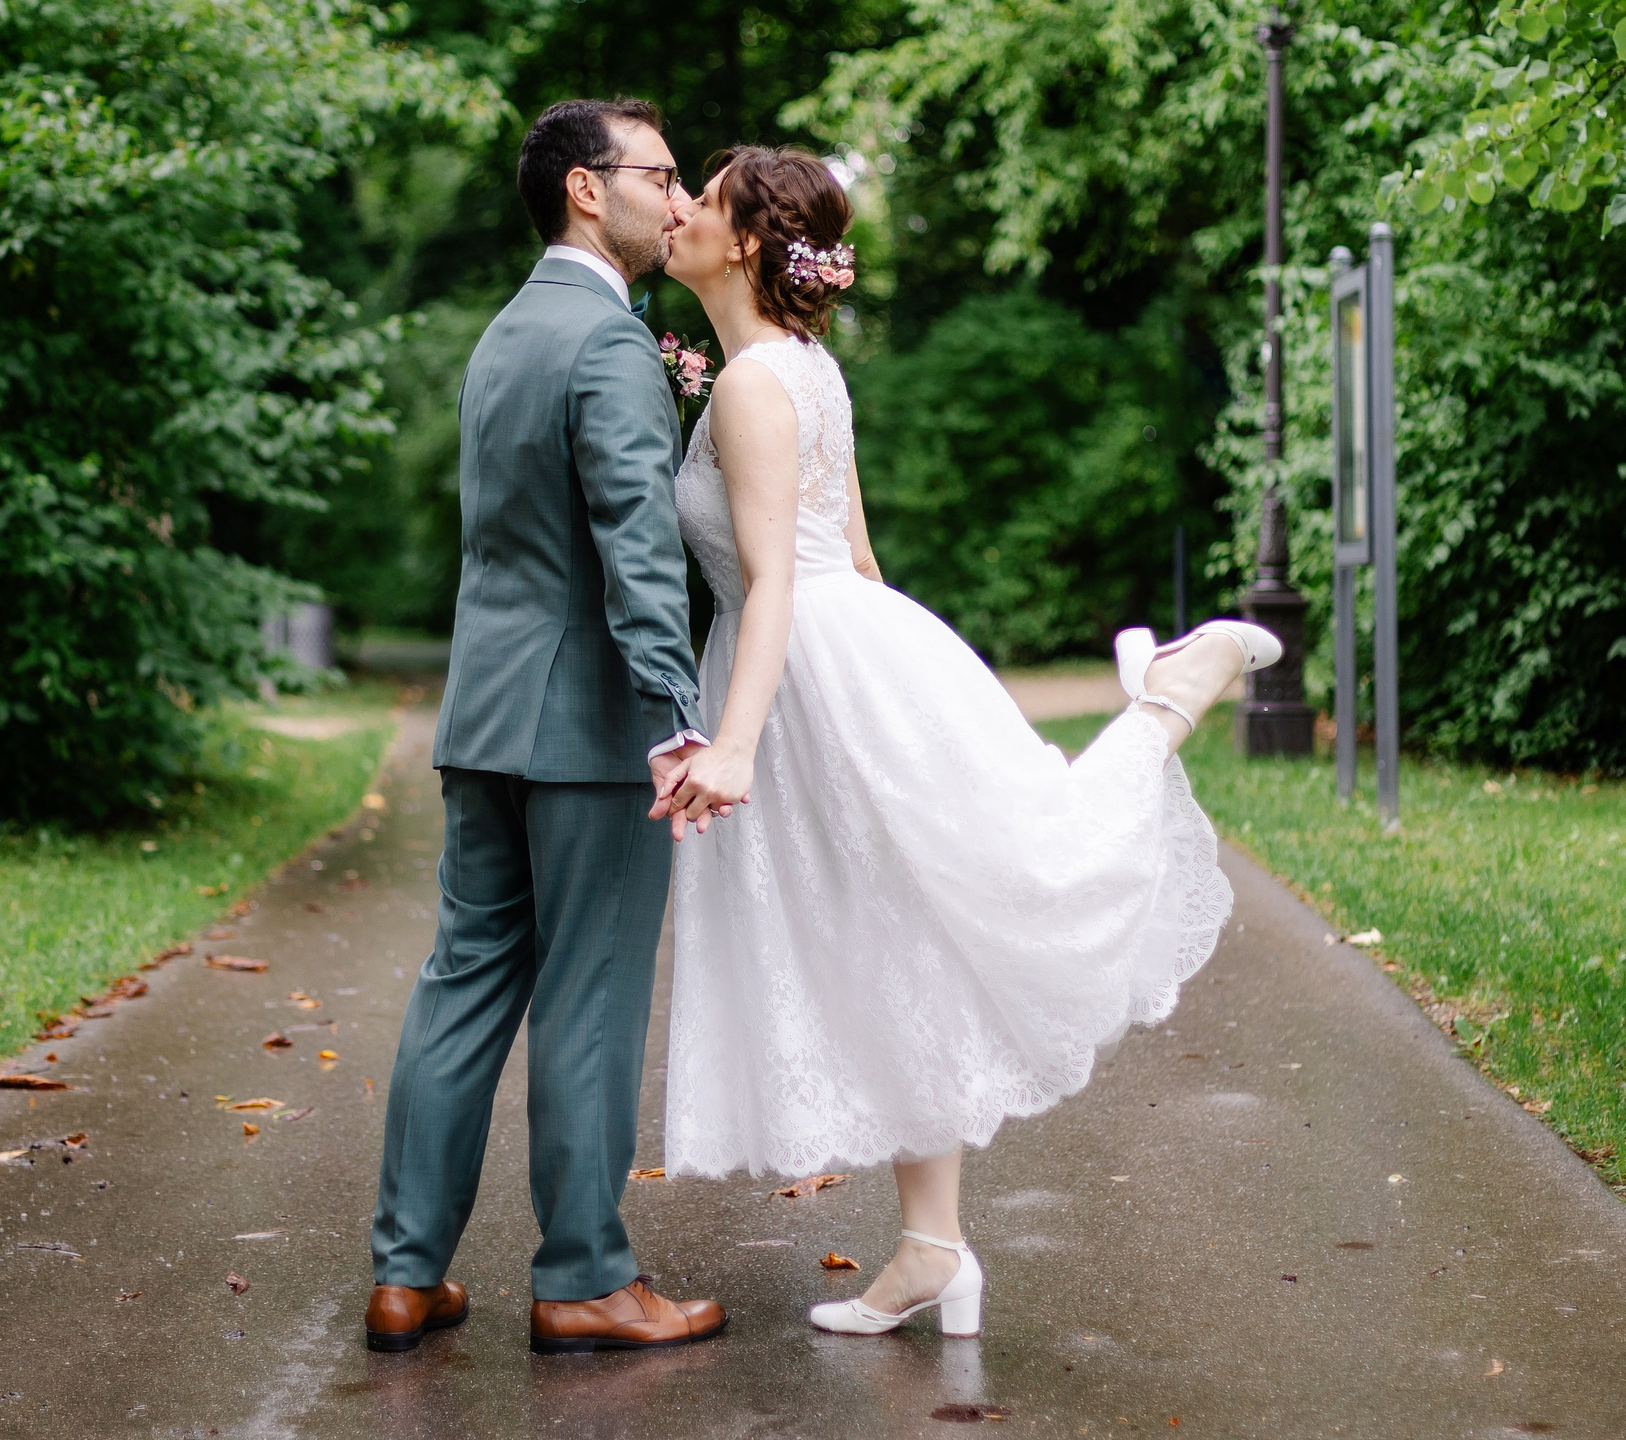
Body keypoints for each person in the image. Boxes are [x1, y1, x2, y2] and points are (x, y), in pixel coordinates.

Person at [652, 145, 1277, 1338]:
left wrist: (736, 741)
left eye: (705, 199)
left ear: (743, 243)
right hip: (840, 665)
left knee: (1014, 874)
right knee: (899, 944)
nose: (678, 210)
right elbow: (858, 551)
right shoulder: (800, 367)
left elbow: (783, 573)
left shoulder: (752, 385)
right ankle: (935, 1247)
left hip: (808, 669)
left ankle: (1169, 696)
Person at [363, 98, 730, 1357]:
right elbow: (636, 547)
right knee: (590, 995)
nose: (677, 199)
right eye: (661, 176)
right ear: (588, 188)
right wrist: (675, 719)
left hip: (484, 720)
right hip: (588, 734)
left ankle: (405, 1277)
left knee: (462, 986)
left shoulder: (506, 335)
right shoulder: (610, 344)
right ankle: (583, 1275)